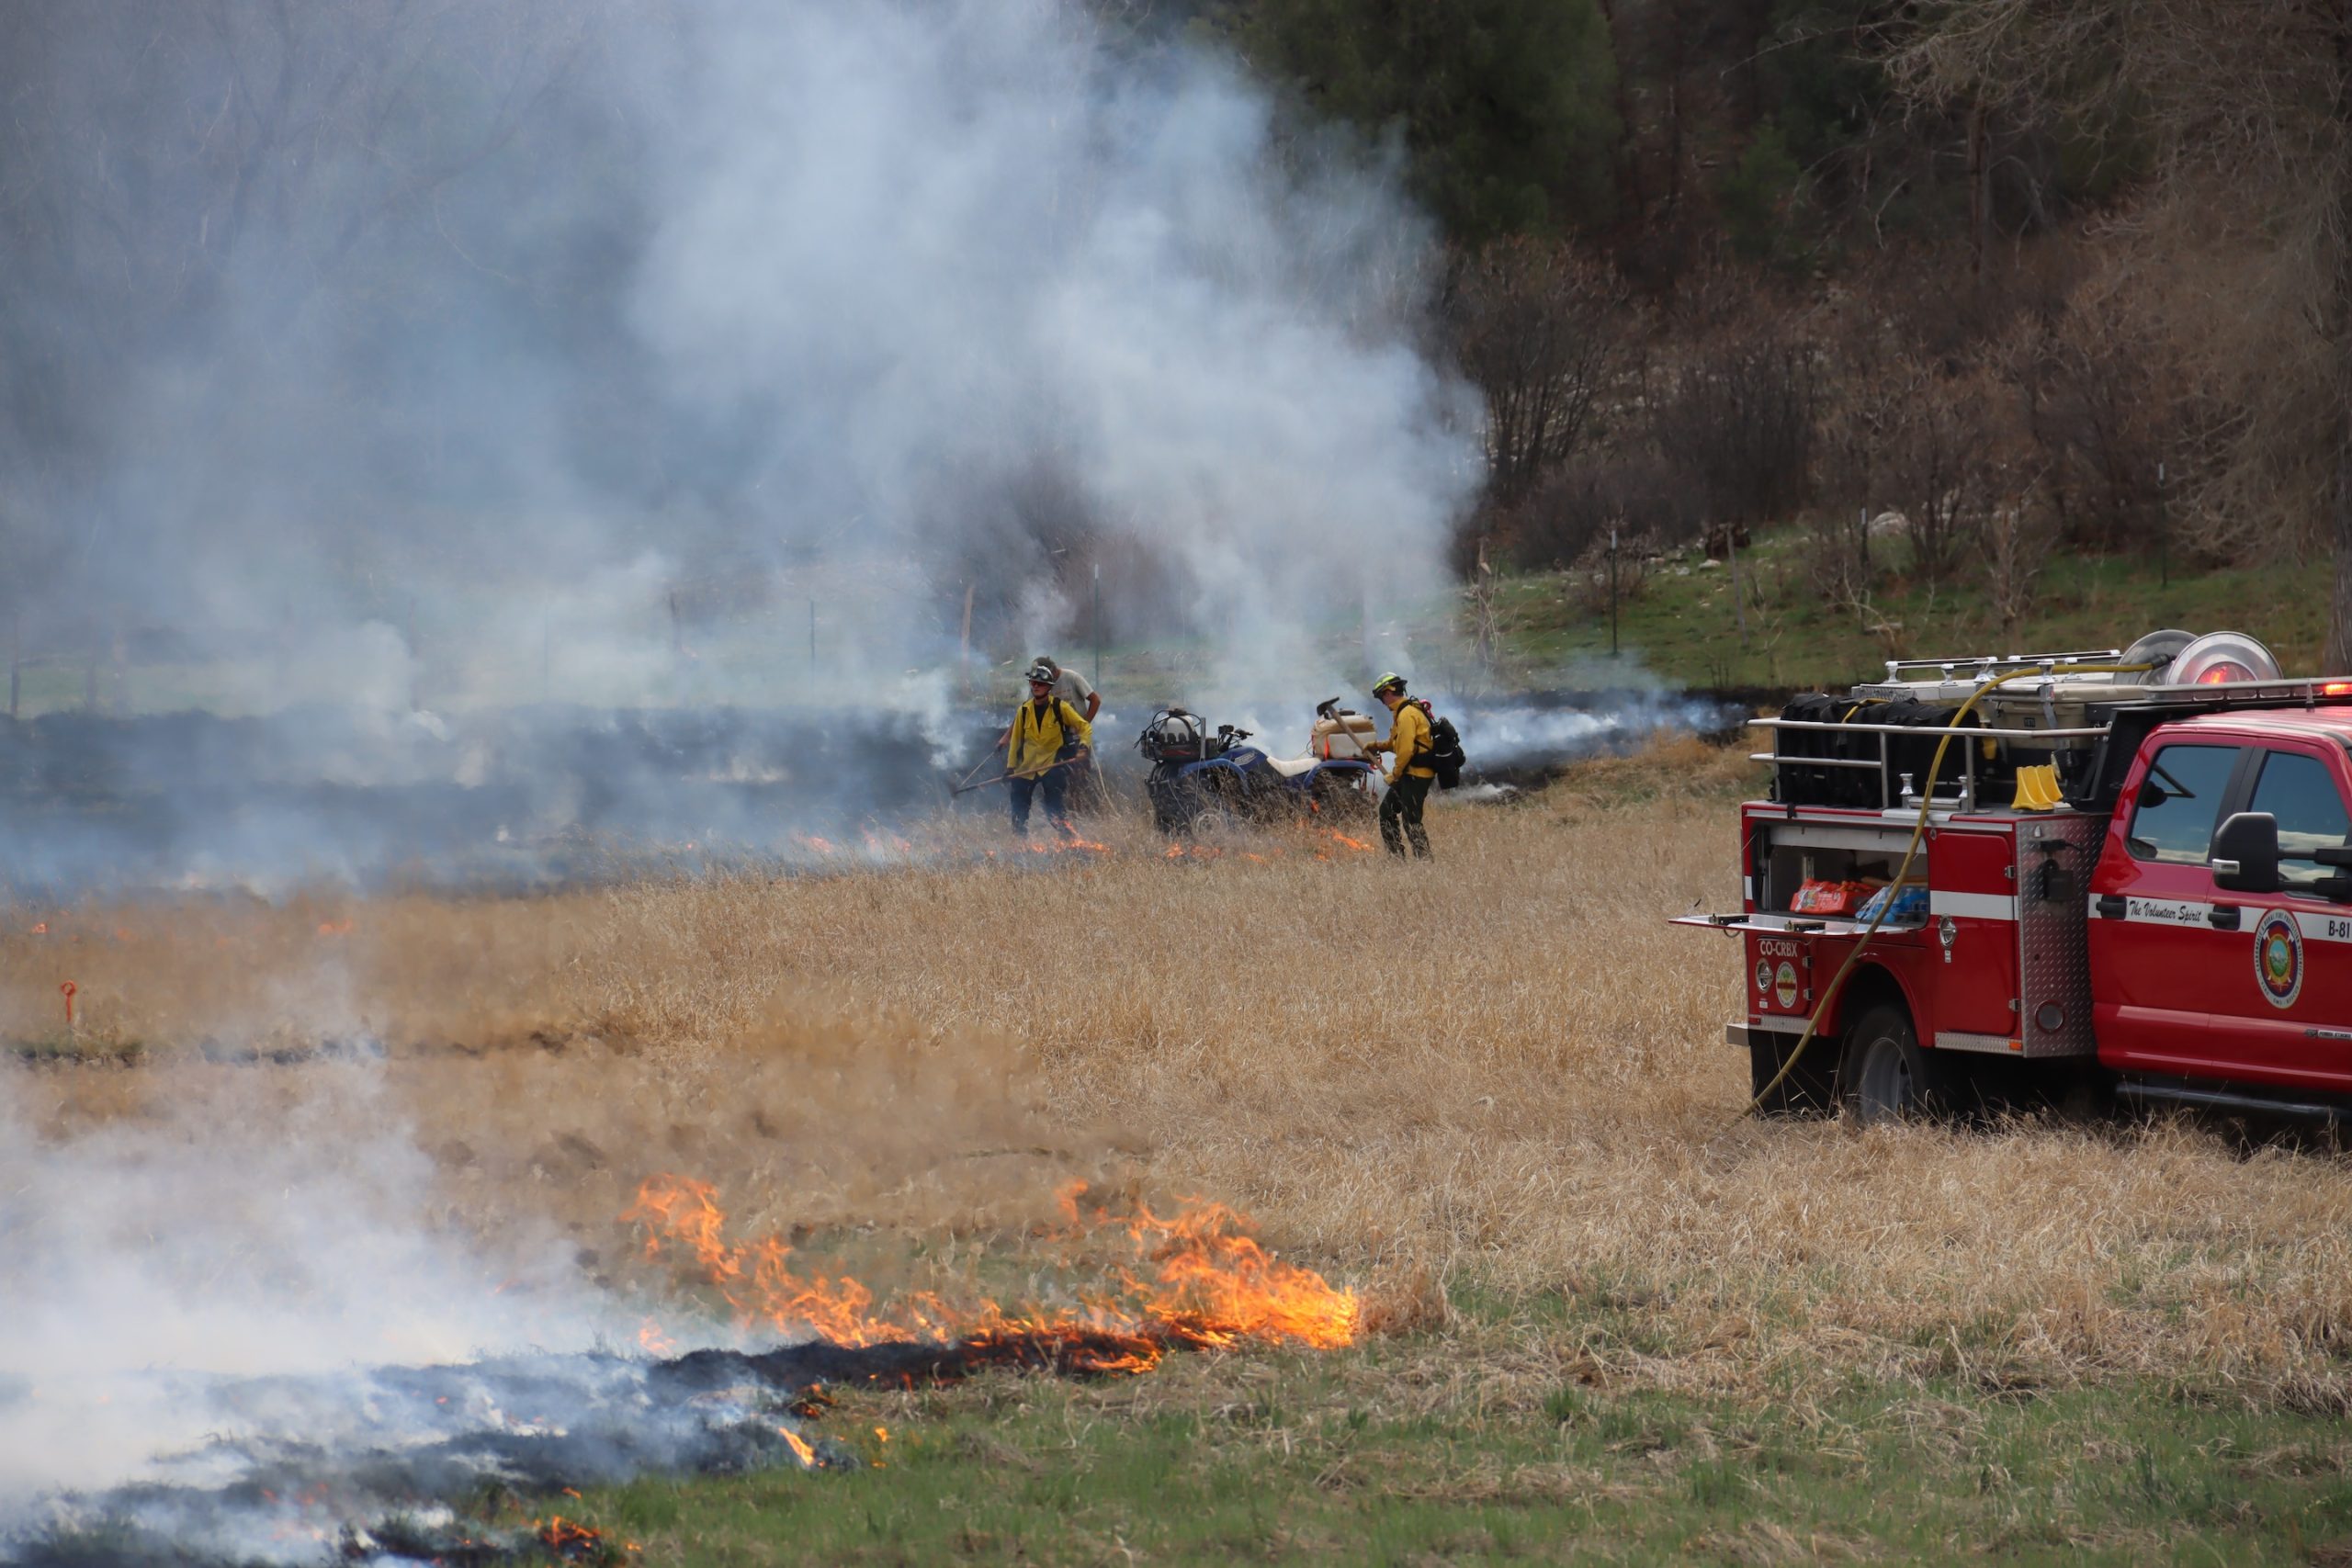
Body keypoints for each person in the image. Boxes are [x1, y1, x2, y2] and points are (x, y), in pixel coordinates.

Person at [1005, 660, 1092, 837]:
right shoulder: (1023, 710)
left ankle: (1069, 840)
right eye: (1033, 683)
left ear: (1049, 687)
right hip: (1026, 767)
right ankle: (1019, 841)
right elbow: (1016, 741)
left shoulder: (1061, 708)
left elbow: (1085, 727)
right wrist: (1010, 766)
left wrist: (1083, 747)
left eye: (1040, 684)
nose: (1035, 686)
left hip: (1051, 765)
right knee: (1018, 808)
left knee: (1055, 809)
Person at [1363, 671, 1434, 860]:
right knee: (1386, 811)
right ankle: (1396, 857)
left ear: (1388, 692)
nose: (1382, 702)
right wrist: (1377, 746)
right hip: (1408, 773)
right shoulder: (1402, 712)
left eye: (1381, 697)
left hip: (1417, 775)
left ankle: (1425, 861)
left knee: (1411, 820)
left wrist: (1394, 775)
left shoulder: (1407, 715)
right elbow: (1396, 742)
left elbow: (1405, 751)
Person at [1032, 654, 1101, 722]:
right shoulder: (1037, 684)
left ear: (1053, 671)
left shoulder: (1072, 678)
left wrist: (1085, 724)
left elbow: (1095, 700)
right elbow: (1031, 708)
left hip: (1075, 728)